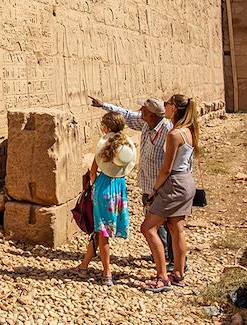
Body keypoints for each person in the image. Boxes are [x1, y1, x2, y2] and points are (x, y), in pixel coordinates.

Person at [89, 96, 177, 268]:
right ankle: (162, 253)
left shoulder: (169, 131)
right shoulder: (145, 123)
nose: (140, 112)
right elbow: (126, 115)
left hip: (163, 183)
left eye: (143, 109)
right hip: (148, 182)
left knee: (169, 223)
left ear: (152, 114)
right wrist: (103, 105)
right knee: (154, 220)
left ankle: (175, 261)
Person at [140, 94, 199, 292]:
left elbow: (166, 168)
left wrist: (154, 190)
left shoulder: (174, 135)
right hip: (186, 181)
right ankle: (179, 275)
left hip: (173, 183)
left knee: (148, 228)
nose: (164, 107)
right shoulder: (188, 131)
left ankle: (162, 277)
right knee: (176, 228)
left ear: (173, 108)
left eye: (166, 104)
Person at [76, 111, 136, 286]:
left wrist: (93, 186)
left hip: (103, 187)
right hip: (118, 187)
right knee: (99, 229)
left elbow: (93, 170)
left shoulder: (104, 147)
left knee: (102, 233)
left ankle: (106, 273)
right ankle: (84, 266)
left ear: (106, 127)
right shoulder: (125, 147)